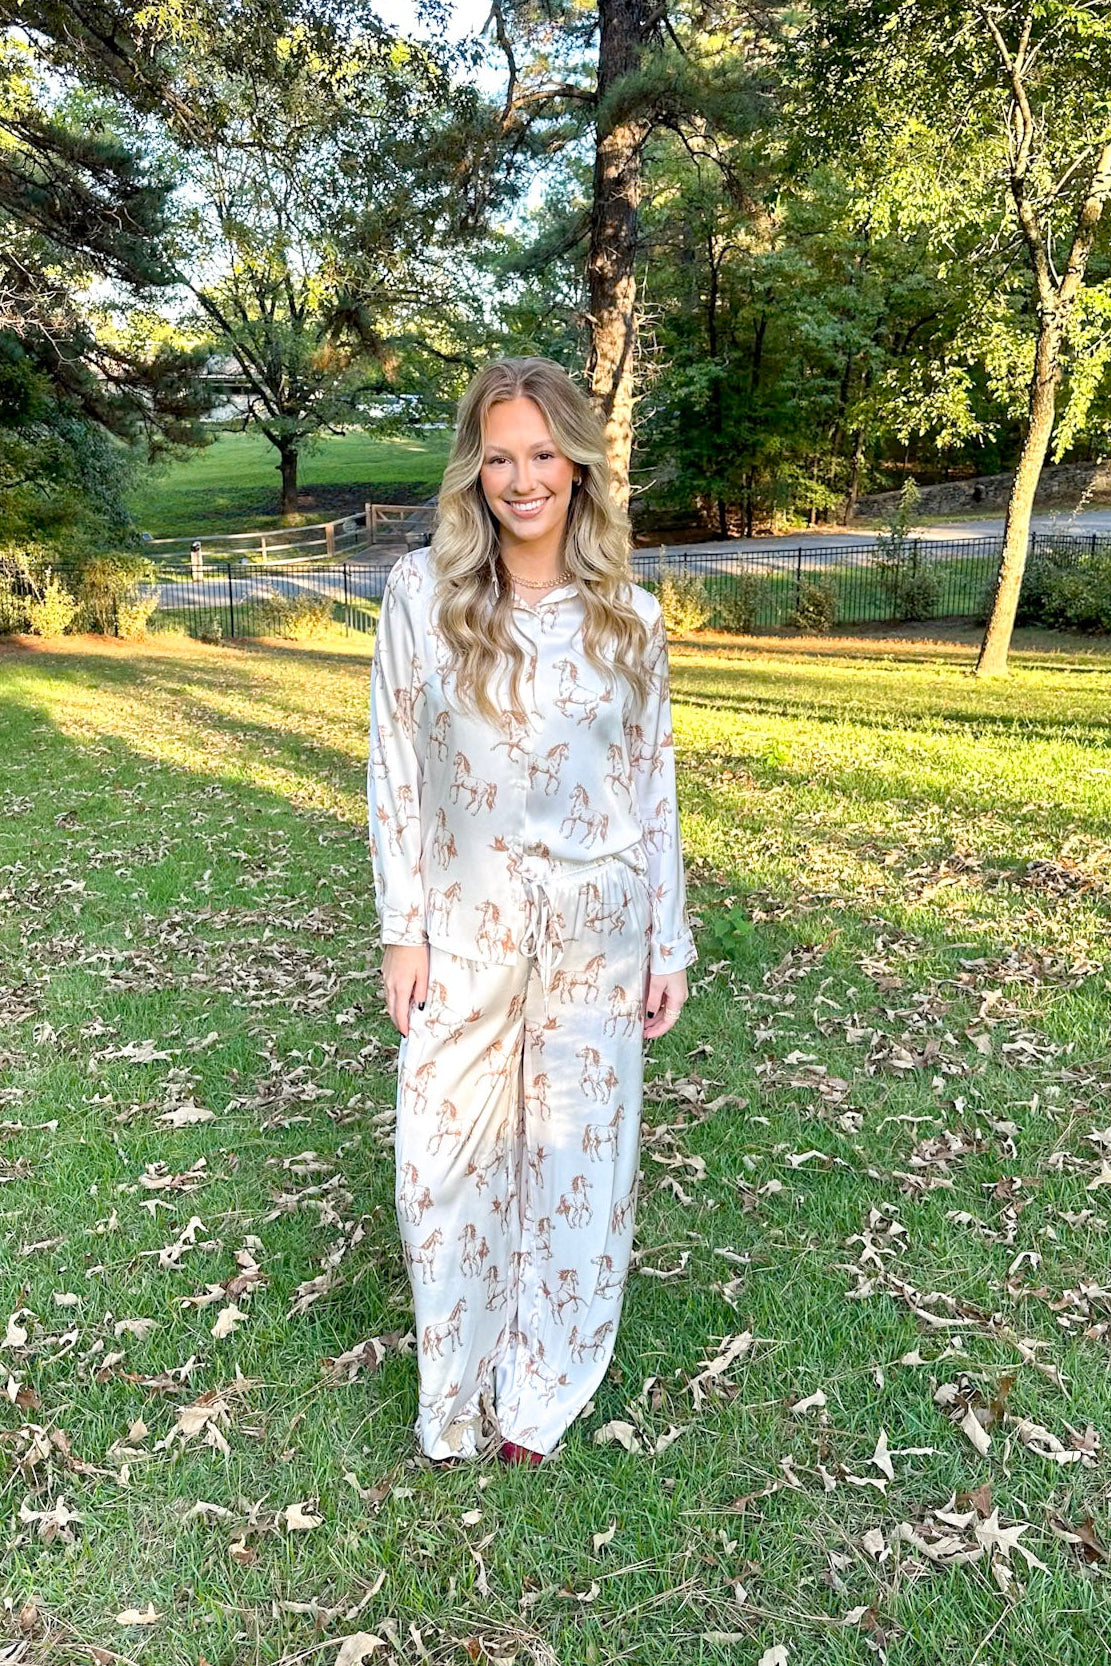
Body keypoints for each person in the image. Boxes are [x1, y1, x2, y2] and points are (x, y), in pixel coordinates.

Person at [367, 356, 697, 1467]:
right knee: (441, 1162)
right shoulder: (423, 596)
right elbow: (395, 770)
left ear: (578, 466)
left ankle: (542, 1390)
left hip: (598, 931)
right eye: (500, 457)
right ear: (475, 469)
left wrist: (667, 941)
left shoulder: (629, 618)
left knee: (575, 1168)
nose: (522, 480)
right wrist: (402, 928)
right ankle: (455, 1390)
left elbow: (651, 785)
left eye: (543, 455)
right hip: (466, 929)